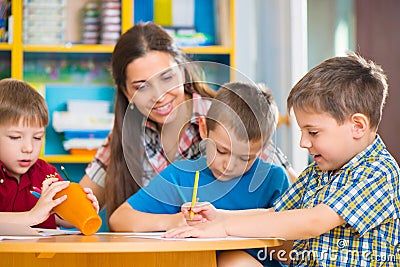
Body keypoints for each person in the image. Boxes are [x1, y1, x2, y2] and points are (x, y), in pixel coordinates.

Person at [165, 53, 400, 266]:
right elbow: (275, 214)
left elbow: (314, 221)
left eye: (313, 132)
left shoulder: (378, 171)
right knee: (232, 262)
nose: (303, 143)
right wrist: (220, 216)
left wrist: (225, 228)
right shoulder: (318, 173)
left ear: (357, 126)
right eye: (302, 132)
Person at [79, 22, 297, 221]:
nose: (160, 95)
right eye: (141, 87)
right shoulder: (125, 138)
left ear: (183, 71)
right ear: (126, 93)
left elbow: (298, 199)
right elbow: (81, 209)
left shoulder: (226, 118)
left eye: (167, 78)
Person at [109, 81, 290, 267]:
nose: (229, 165)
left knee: (235, 262)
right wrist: (175, 221)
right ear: (204, 129)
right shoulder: (181, 176)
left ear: (263, 149)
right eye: (221, 151)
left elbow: (291, 252)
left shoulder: (273, 180)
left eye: (245, 158)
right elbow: (120, 219)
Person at [0, 78, 99, 229]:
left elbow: (60, 217)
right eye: (15, 137)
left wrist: (82, 212)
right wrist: (31, 216)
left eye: (37, 137)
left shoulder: (46, 174)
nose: (28, 148)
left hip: (41, 253)